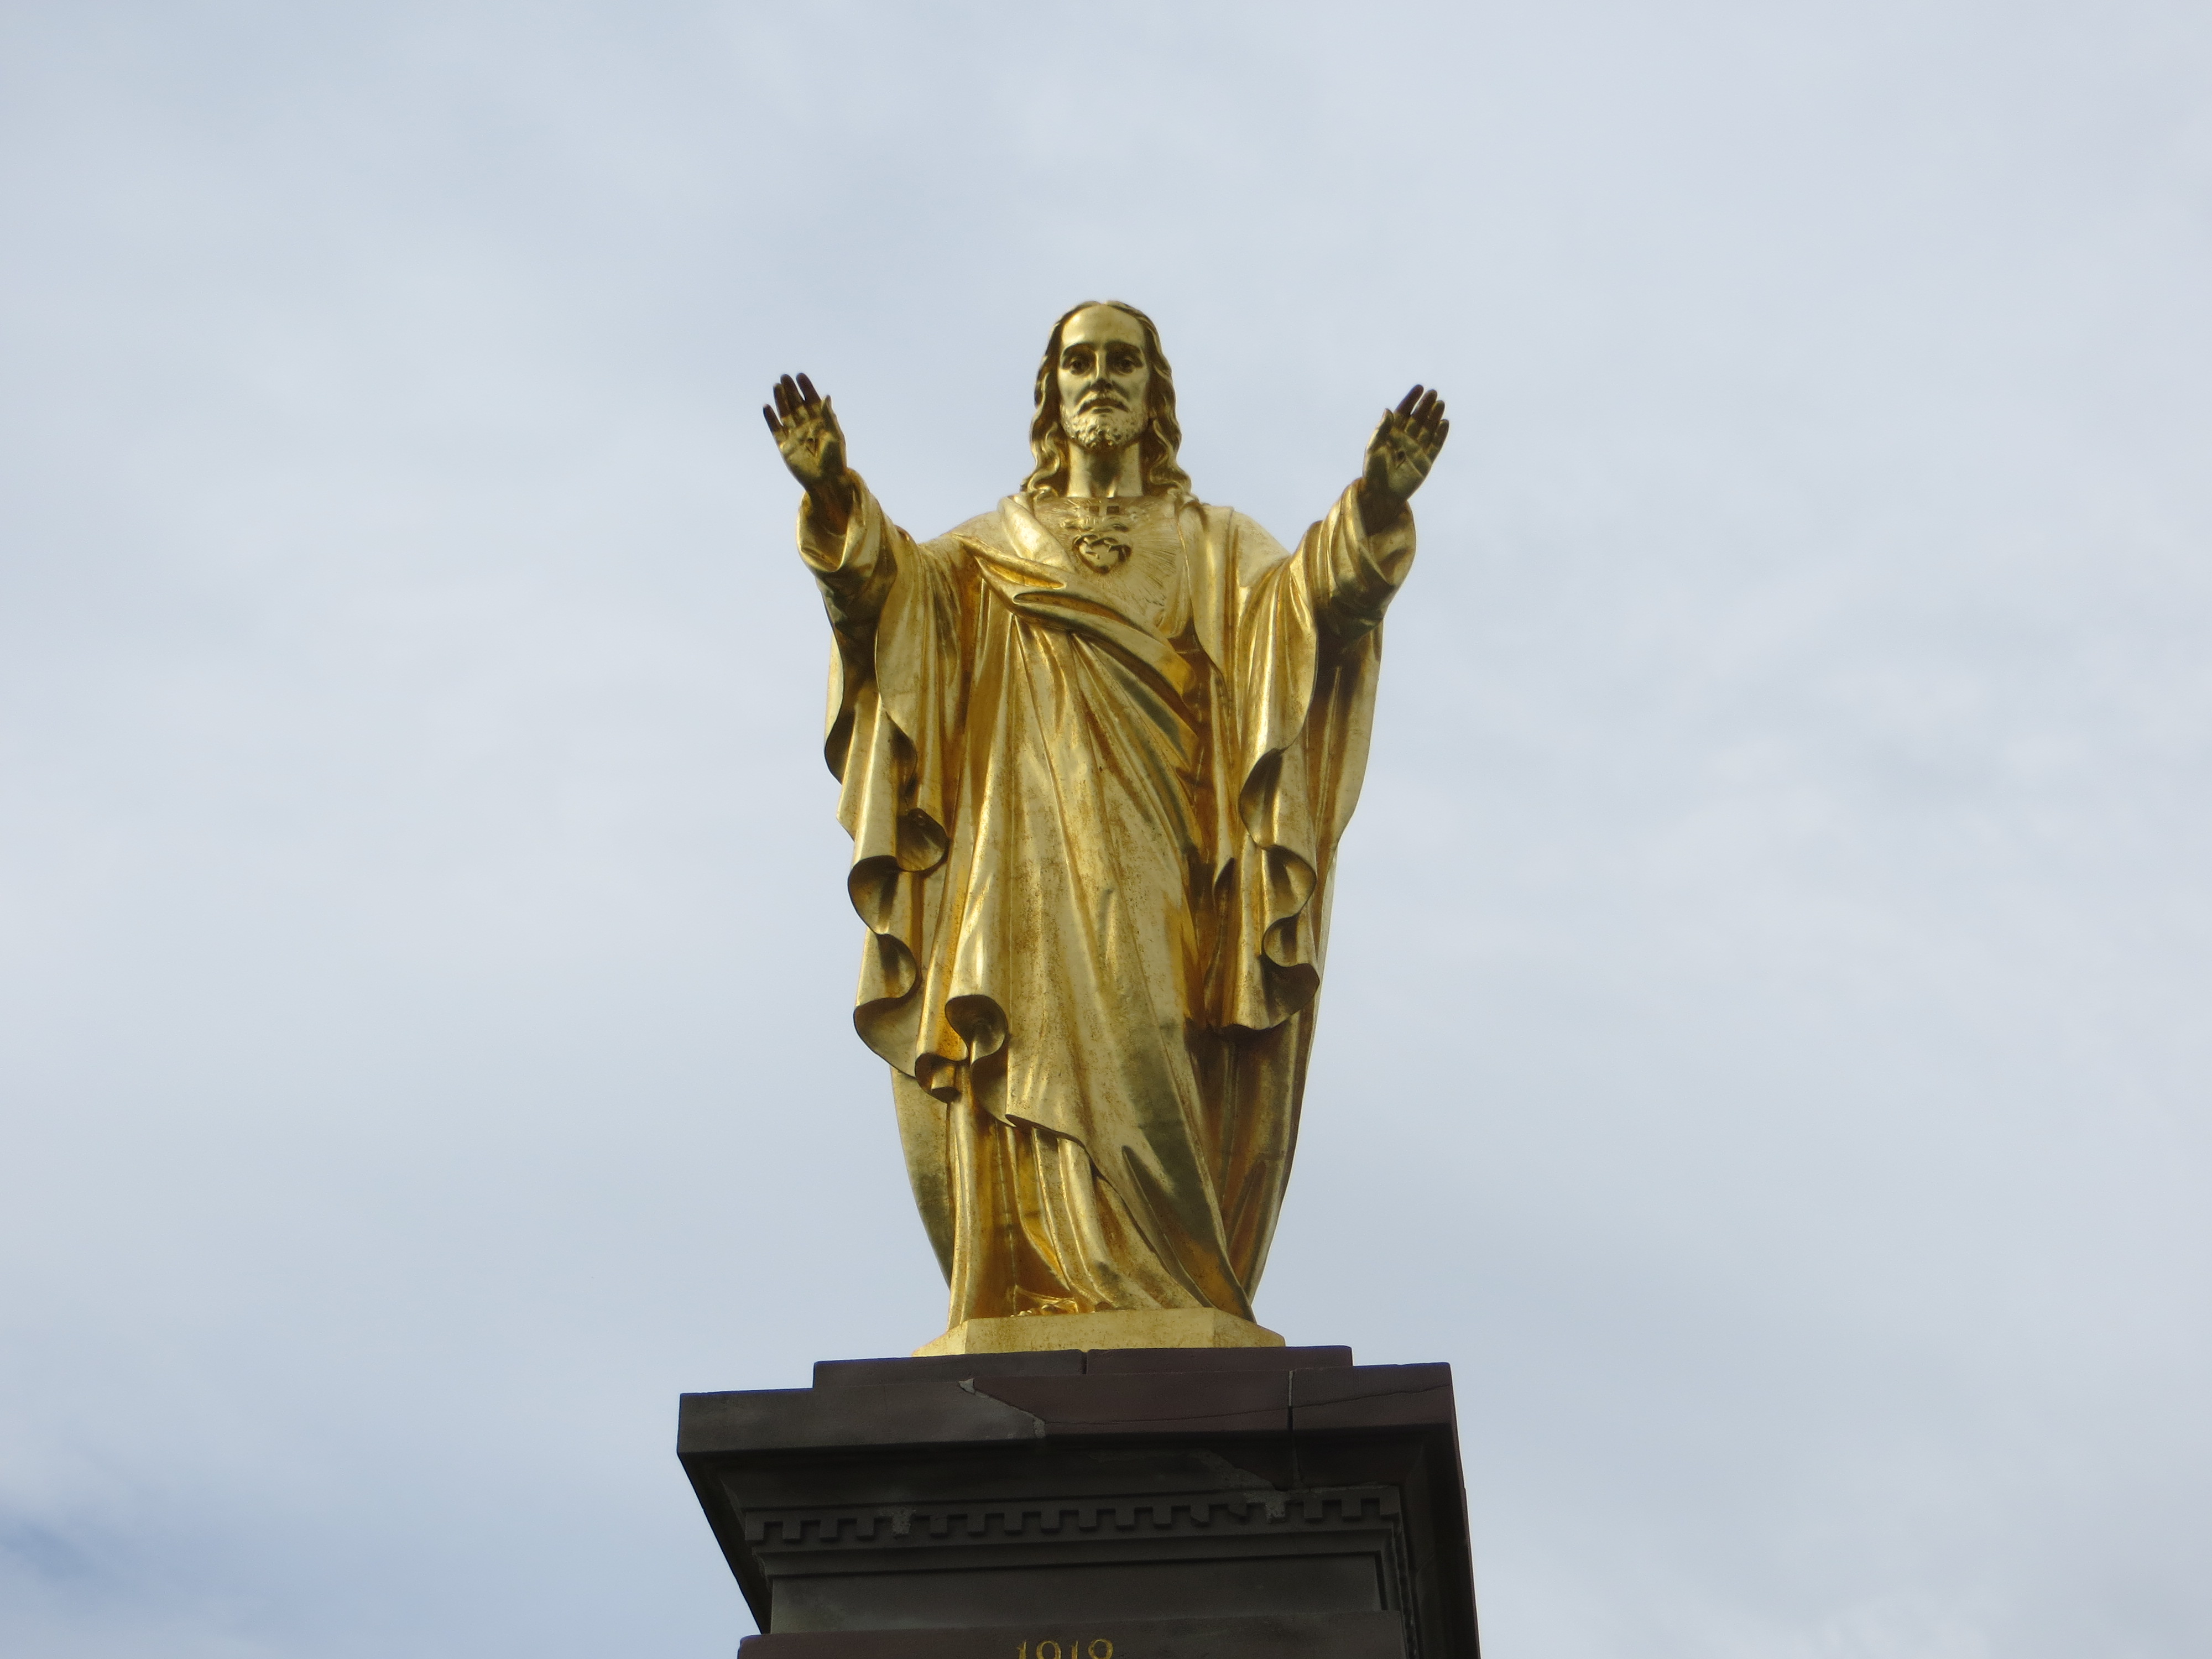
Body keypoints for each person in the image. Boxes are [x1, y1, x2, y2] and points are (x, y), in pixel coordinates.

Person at [764, 301, 1447, 1335]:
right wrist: (831, 495)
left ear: (1153, 395)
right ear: (1051, 393)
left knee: (1153, 1044)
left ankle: (1172, 1289)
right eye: (1079, 362)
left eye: (1122, 362)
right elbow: (888, 601)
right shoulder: (985, 553)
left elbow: (1306, 610)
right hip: (1019, 865)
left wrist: (1374, 510)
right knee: (1023, 1051)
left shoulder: (1212, 544)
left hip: (1163, 857)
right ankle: (1032, 1282)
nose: (1100, 379)